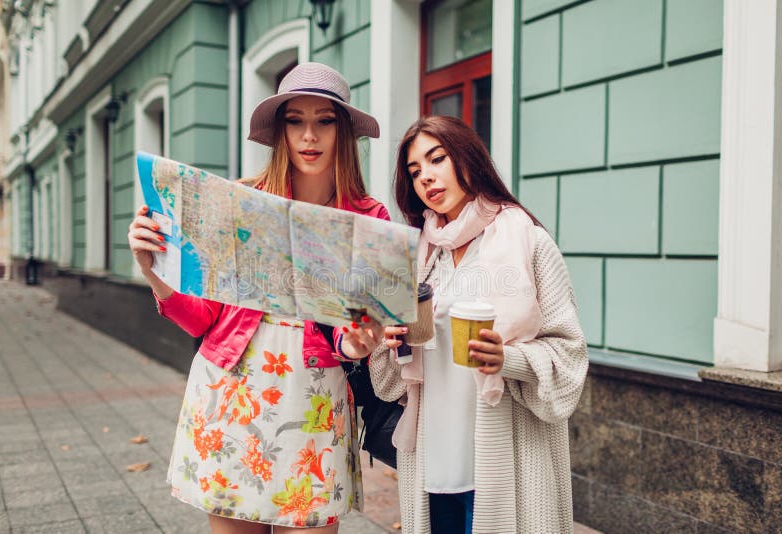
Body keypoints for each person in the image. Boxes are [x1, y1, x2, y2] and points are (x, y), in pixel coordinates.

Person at [127, 63, 389, 534]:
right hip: (229, 393)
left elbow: (359, 334)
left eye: (325, 121)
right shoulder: (239, 201)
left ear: (344, 131)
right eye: (295, 120)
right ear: (280, 131)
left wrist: (359, 346)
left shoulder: (370, 219)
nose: (309, 135)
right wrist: (154, 273)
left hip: (314, 400)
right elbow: (202, 320)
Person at [363, 116, 589, 533]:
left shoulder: (527, 241)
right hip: (434, 453)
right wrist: (393, 342)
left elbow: (569, 354)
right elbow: (389, 384)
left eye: (437, 159)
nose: (427, 177)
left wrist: (508, 359)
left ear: (468, 157)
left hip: (505, 450)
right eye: (415, 172)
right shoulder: (418, 258)